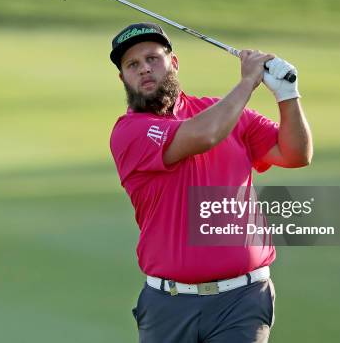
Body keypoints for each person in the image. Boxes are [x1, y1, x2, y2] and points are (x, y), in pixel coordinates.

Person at [108, 22, 312, 343]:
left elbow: (296, 153)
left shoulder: (228, 115)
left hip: (242, 300)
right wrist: (248, 81)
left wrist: (287, 93)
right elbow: (204, 135)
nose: (144, 69)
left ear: (173, 63)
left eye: (152, 58)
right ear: (123, 78)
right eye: (132, 65)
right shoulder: (130, 132)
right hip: (169, 304)